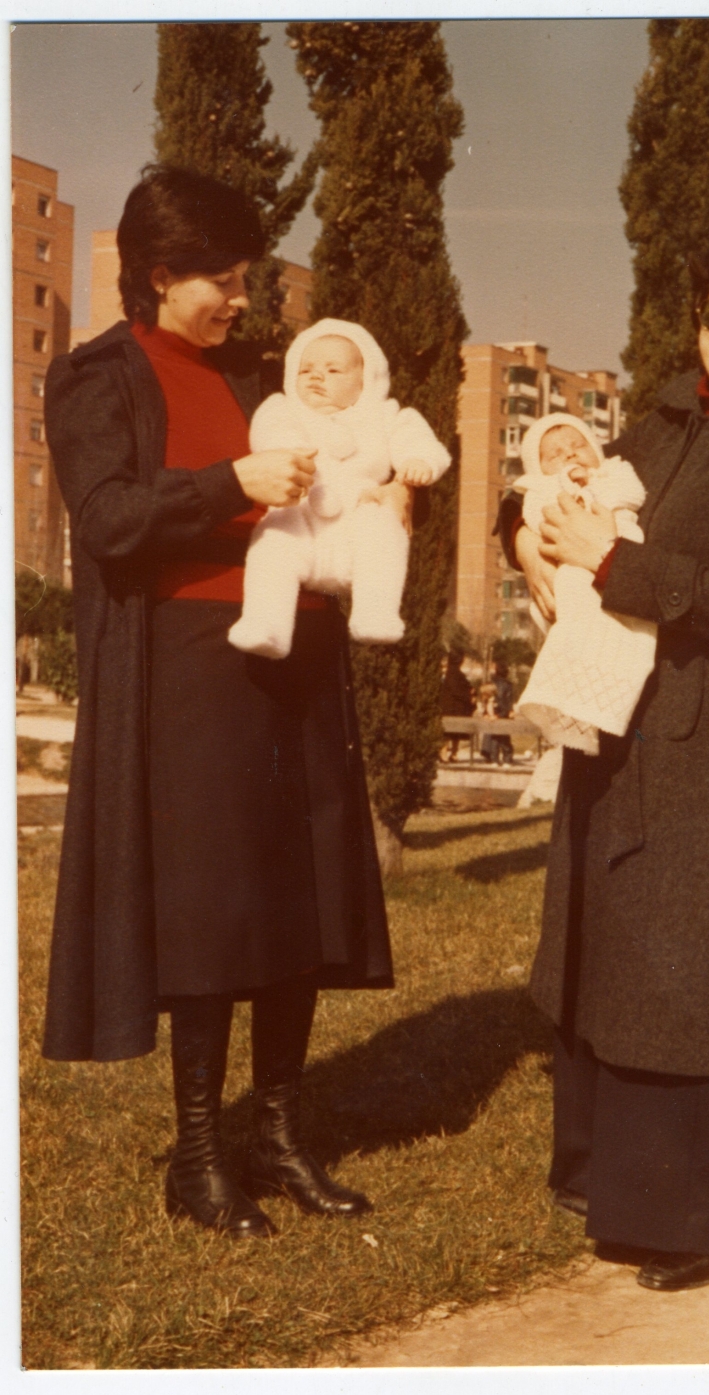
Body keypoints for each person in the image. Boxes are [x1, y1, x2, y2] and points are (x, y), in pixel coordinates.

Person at [41, 166, 404, 1239]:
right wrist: (228, 486)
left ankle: (278, 1139)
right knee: (209, 916)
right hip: (185, 670)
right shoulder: (94, 377)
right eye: (225, 282)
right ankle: (199, 1158)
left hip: (290, 656)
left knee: (293, 899)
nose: (242, 301)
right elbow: (106, 521)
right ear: (160, 277)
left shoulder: (255, 377)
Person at [498, 221, 709, 1291]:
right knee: (610, 955)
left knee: (693, 973)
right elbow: (568, 496)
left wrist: (614, 556)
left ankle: (701, 1221)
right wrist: (530, 531)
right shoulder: (660, 419)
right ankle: (604, 1178)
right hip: (621, 721)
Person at [228, 318, 450, 657]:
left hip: (357, 519)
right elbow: (269, 432)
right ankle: (265, 625)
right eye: (306, 370)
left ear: (366, 381)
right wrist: (287, 449)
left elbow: (415, 436)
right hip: (301, 516)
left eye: (334, 371)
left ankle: (375, 612)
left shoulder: (383, 414)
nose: (317, 376)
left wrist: (418, 462)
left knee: (384, 529)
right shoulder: (283, 408)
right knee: (273, 539)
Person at [512, 414, 656, 754]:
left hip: (619, 542)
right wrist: (565, 489)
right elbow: (534, 514)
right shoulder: (541, 488)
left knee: (621, 625)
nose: (570, 455)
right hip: (570, 562)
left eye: (579, 446)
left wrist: (594, 489)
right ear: (539, 467)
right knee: (571, 595)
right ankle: (567, 689)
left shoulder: (614, 470)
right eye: (555, 454)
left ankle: (606, 686)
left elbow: (633, 494)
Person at [440, 647, 475, 761]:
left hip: (455, 707)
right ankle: (445, 753)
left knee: (454, 732)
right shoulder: (453, 673)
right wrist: (469, 697)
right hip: (452, 707)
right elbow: (456, 690)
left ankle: (453, 753)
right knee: (449, 732)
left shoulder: (455, 673)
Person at [480, 659, 516, 765]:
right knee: (505, 738)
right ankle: (507, 758)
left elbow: (485, 699)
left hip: (493, 713)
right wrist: (506, 712)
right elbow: (508, 702)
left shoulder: (491, 683)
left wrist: (486, 713)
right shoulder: (508, 685)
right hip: (503, 713)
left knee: (494, 738)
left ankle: (494, 758)